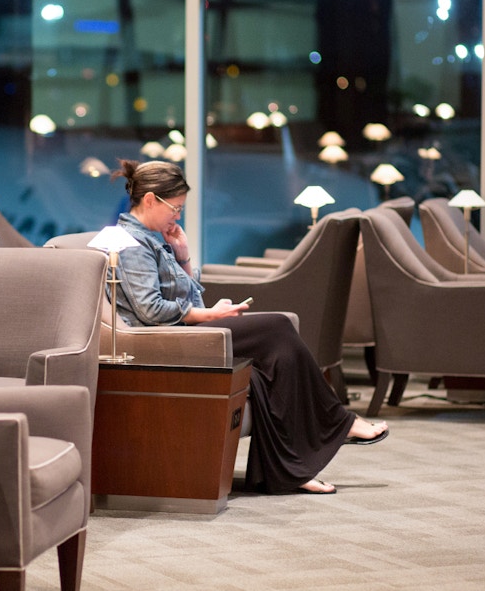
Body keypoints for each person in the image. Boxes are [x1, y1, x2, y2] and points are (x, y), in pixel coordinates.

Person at [109, 159, 388, 494]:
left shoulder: (153, 239)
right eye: (175, 208)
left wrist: (183, 257)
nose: (178, 217)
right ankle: (339, 423)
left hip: (182, 331)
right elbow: (151, 310)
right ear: (150, 200)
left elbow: (190, 298)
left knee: (271, 365)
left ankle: (291, 471)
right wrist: (211, 316)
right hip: (166, 341)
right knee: (277, 327)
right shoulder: (131, 244)